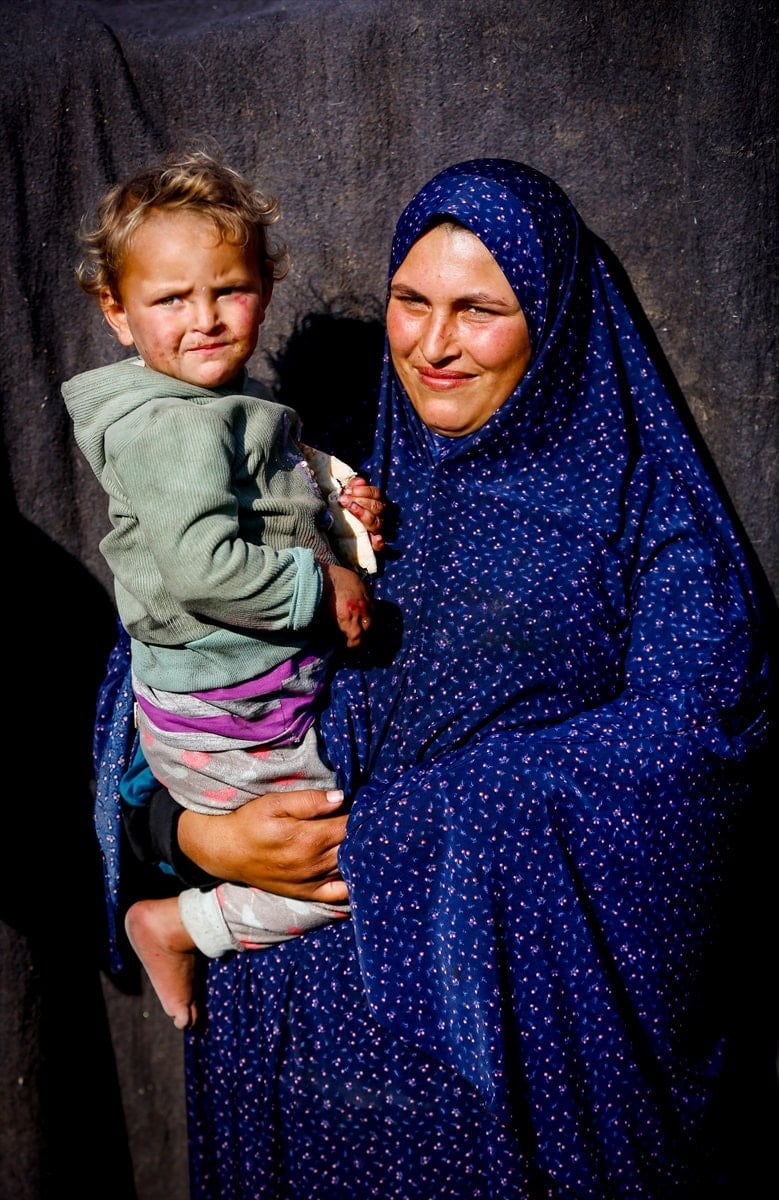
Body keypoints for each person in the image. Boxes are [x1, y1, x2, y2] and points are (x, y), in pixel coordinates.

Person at [94, 159, 776, 1197]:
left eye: (479, 311)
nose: (431, 344)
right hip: (280, 1062)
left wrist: (434, 816)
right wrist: (191, 836)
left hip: (490, 1084)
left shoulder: (637, 514)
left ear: (552, 321)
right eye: (411, 302)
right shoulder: (318, 468)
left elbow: (705, 740)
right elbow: (152, 689)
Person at [63, 145, 385, 1031]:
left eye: (229, 290)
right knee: (350, 863)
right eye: (170, 299)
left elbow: (259, 496)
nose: (203, 319)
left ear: (266, 288)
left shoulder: (212, 406)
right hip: (230, 717)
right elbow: (206, 568)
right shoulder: (169, 426)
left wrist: (332, 505)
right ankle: (177, 926)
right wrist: (322, 581)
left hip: (237, 699)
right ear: (117, 312)